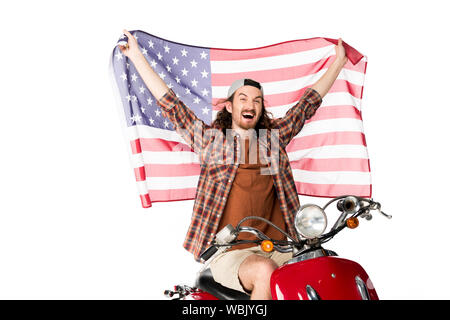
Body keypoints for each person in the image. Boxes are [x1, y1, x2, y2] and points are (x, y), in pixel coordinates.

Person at [118, 29, 348, 300]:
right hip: (230, 252)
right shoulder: (213, 142)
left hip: (280, 247)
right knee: (264, 271)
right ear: (230, 106)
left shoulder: (272, 141)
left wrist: (338, 64)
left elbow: (307, 105)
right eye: (243, 98)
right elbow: (172, 106)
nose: (250, 104)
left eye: (257, 100)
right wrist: (136, 56)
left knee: (323, 269)